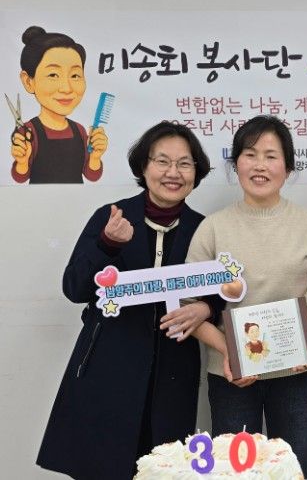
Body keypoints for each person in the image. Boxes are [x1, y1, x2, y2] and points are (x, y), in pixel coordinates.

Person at [162, 115, 307, 479]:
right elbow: (187, 307)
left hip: (294, 372)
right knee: (234, 472)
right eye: (250, 154)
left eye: (271, 156)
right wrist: (229, 350)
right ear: (236, 164)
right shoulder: (212, 228)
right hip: (231, 375)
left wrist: (306, 331)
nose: (260, 165)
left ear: (288, 167)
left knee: (295, 468)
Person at [36, 122, 212, 480]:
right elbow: (74, 288)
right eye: (162, 161)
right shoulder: (112, 217)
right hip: (108, 367)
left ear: (196, 172)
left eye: (184, 163)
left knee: (163, 470)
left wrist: (207, 308)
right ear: (143, 167)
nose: (173, 173)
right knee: (101, 467)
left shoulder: (204, 228)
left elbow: (221, 291)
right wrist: (107, 244)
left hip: (172, 373)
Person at [10, 26, 108, 184]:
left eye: (75, 75)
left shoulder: (79, 130)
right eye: (53, 75)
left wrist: (96, 157)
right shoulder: (27, 131)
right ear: (28, 81)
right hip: (39, 199)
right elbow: (20, 178)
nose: (66, 88)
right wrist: (22, 162)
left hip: (76, 198)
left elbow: (91, 176)